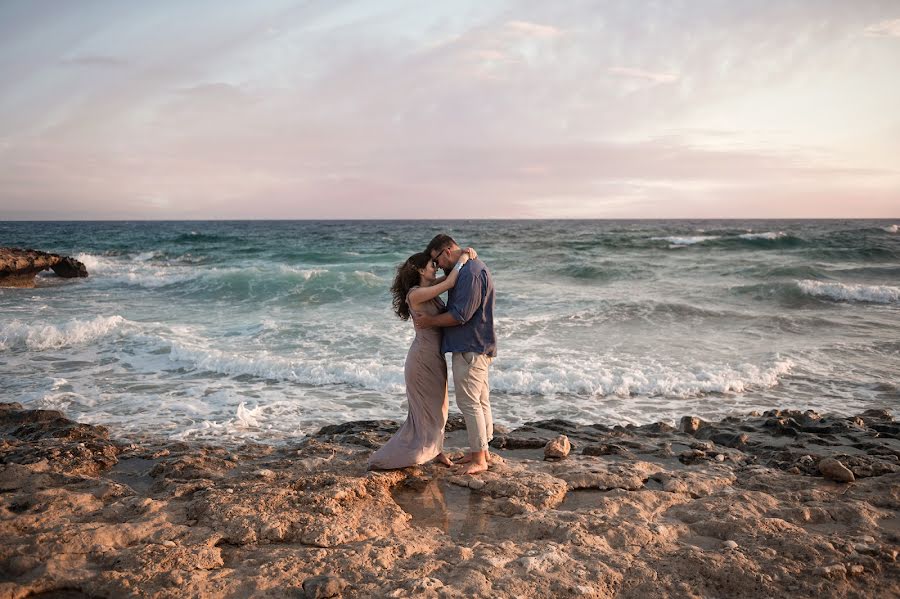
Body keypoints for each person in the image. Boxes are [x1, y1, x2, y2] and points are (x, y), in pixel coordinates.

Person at [368, 247, 476, 470]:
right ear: (419, 270)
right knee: (426, 409)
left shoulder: (429, 289)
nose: (435, 267)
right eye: (431, 265)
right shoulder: (415, 294)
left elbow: (447, 279)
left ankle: (436, 450)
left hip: (434, 356)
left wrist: (461, 257)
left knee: (440, 407)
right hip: (422, 359)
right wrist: (463, 258)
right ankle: (415, 453)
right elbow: (449, 283)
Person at [416, 234, 496, 475]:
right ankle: (481, 451)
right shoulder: (468, 268)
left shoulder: (470, 274)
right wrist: (463, 257)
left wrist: (429, 321)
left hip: (470, 345)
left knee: (470, 402)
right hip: (475, 344)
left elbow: (461, 315)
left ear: (447, 251)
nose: (438, 265)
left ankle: (480, 459)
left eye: (437, 260)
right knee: (480, 400)